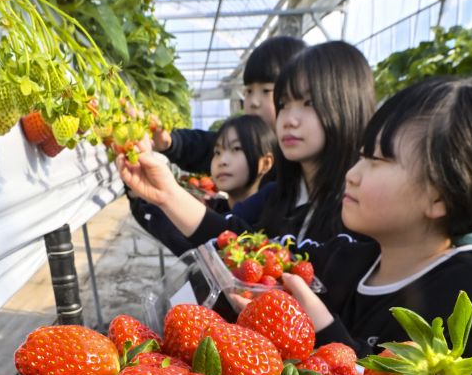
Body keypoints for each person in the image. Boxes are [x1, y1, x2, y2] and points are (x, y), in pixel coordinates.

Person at [277, 76, 472, 375]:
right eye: (361, 156)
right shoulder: (347, 259)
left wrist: (324, 327)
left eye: (377, 160)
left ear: (440, 196)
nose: (351, 175)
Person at [119, 41, 376, 249]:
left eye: (308, 103)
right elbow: (230, 238)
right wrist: (166, 192)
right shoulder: (278, 196)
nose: (289, 119)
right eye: (284, 104)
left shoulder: (358, 210)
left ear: (347, 106)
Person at [152, 35, 305, 173]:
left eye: (266, 91)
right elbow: (207, 147)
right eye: (248, 92)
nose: (253, 102)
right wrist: (171, 142)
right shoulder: (251, 145)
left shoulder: (303, 163)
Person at [128, 114, 277, 256]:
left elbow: (184, 241)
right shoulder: (214, 206)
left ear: (265, 163)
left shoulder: (261, 229)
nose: (222, 160)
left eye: (236, 149)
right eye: (217, 152)